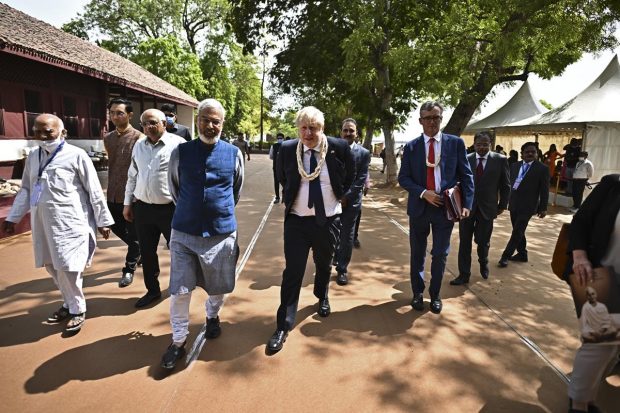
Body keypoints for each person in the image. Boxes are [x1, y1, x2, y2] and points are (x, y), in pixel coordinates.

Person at [1, 114, 113, 332]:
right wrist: (13, 216)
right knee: (52, 266)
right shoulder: (33, 156)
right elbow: (26, 189)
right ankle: (68, 302)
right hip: (43, 223)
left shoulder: (77, 155)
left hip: (71, 223)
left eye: (48, 131)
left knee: (69, 267)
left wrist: (103, 220)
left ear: (63, 133)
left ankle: (77, 309)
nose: (42, 136)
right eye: (37, 131)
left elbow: (94, 190)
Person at [160, 99, 244, 369]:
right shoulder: (181, 152)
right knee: (180, 290)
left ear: (222, 124)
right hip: (184, 232)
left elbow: (236, 191)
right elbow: (174, 188)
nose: (210, 125)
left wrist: (217, 210)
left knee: (218, 287)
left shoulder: (233, 153)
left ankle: (212, 316)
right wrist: (191, 209)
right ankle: (178, 341)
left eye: (215, 121)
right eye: (205, 120)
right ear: (197, 121)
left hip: (221, 233)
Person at [266, 106, 354, 352]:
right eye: (303, 128)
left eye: (313, 128)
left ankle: (322, 295)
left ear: (322, 129)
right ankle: (283, 325)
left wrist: (342, 197)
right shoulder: (285, 150)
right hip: (297, 221)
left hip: (328, 221)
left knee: (324, 264)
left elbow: (352, 175)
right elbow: (282, 178)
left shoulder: (339, 148)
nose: (307, 133)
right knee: (293, 271)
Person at [398, 101, 474, 314]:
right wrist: (424, 193)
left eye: (436, 118)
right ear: (420, 121)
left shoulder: (455, 143)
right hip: (420, 208)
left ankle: (435, 294)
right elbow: (403, 178)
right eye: (428, 118)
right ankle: (417, 293)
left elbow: (466, 175)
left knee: (440, 254)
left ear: (441, 119)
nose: (432, 122)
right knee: (417, 253)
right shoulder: (411, 147)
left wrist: (467, 203)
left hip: (445, 209)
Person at [566, 173, 620, 413]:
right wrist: (579, 256)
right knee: (600, 344)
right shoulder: (612, 185)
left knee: (612, 348)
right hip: (604, 278)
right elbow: (581, 221)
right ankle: (579, 404)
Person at [124, 109, 186, 308]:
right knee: (147, 252)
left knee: (178, 251)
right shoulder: (139, 146)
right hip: (143, 209)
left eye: (152, 122)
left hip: (170, 210)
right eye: (144, 124)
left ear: (164, 123)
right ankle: (152, 290)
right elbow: (132, 175)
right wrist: (128, 203)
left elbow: (188, 178)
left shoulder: (178, 145)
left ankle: (180, 287)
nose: (148, 127)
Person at [451, 131, 510, 285]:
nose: (482, 147)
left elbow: (505, 185)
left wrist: (502, 205)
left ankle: (483, 261)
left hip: (488, 208)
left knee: (483, 242)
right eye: (479, 144)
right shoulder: (466, 159)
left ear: (490, 144)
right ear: (474, 144)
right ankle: (464, 274)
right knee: (464, 242)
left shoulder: (500, 160)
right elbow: (458, 182)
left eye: (485, 144)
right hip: (466, 209)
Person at [104, 98, 143, 288]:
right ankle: (139, 248)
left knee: (134, 234)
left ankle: (128, 269)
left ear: (130, 115)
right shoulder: (107, 138)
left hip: (132, 196)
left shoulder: (139, 138)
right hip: (112, 192)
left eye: (119, 112)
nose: (114, 116)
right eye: (112, 113)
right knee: (113, 226)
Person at [498, 142, 549, 267]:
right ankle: (522, 253)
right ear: (522, 154)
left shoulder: (542, 168)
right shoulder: (514, 166)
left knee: (517, 231)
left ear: (537, 154)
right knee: (518, 230)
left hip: (528, 205)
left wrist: (543, 208)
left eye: (533, 152)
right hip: (514, 203)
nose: (530, 154)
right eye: (527, 152)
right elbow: (509, 184)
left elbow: (545, 189)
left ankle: (506, 256)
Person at [334, 118, 370, 285]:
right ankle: (335, 256)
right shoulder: (332, 150)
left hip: (352, 201)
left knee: (347, 236)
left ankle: (342, 269)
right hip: (331, 200)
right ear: (341, 132)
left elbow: (361, 178)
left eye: (351, 131)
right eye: (345, 130)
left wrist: (346, 196)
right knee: (332, 232)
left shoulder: (364, 153)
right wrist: (336, 195)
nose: (348, 133)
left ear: (357, 133)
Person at [269, 132, 284, 203]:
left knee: (285, 182)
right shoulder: (273, 146)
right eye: (278, 138)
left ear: (283, 139)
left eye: (281, 138)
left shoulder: (286, 146)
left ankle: (284, 196)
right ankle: (277, 197)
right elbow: (271, 156)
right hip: (276, 167)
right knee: (276, 182)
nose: (279, 139)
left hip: (284, 168)